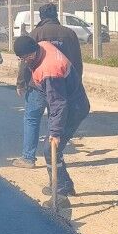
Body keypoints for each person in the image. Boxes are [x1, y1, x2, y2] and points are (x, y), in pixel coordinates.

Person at [13, 33, 90, 207]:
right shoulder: (43, 45)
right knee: (54, 148)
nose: (24, 62)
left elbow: (58, 104)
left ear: (32, 53)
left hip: (73, 108)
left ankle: (60, 194)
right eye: (21, 58)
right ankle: (65, 184)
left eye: (25, 58)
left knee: (51, 148)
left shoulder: (50, 70)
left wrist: (55, 133)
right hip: (71, 102)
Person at [12, 4, 84, 169]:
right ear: (56, 14)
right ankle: (54, 156)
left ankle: (28, 158)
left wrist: (21, 82)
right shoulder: (70, 33)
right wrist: (75, 83)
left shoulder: (36, 34)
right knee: (56, 118)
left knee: (31, 119)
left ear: (41, 16)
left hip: (37, 86)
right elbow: (77, 61)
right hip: (62, 86)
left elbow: (25, 62)